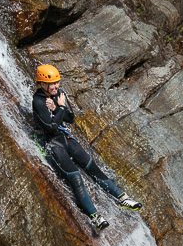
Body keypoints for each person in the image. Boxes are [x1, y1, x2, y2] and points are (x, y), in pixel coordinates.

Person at [32, 64, 142, 231]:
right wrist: (59, 108)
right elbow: (51, 127)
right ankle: (95, 217)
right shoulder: (38, 101)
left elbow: (70, 118)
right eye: (52, 84)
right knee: (76, 178)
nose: (55, 86)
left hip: (64, 137)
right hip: (51, 143)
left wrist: (57, 107)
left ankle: (122, 198)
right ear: (42, 84)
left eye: (57, 82)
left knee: (91, 165)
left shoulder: (60, 95)